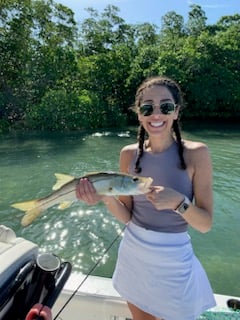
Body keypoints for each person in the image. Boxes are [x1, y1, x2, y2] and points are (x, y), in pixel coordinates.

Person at [76, 76, 216, 320]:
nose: (156, 114)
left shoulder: (197, 154)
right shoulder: (129, 154)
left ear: (176, 112)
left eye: (166, 107)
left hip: (174, 260)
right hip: (134, 254)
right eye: (147, 107)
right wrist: (105, 198)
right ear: (139, 114)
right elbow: (128, 216)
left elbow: (205, 224)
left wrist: (178, 203)